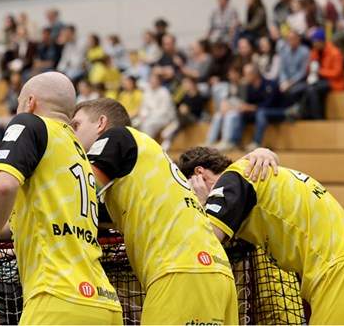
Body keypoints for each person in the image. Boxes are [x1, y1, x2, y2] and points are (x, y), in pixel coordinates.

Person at [70, 99, 286, 324]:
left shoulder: (116, 137)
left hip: (180, 271)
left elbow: (76, 193)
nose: (71, 135)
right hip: (216, 273)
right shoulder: (144, 167)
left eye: (76, 125)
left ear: (101, 123)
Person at [0, 72, 123, 324]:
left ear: (30, 102)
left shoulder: (30, 124)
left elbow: (3, 186)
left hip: (56, 296)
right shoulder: (79, 153)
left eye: (19, 103)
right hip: (104, 302)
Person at [177, 146, 344, 325]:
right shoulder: (249, 174)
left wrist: (200, 203)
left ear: (199, 174)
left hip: (338, 276)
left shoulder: (233, 180)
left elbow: (205, 242)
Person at [233, 63, 286, 151]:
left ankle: (257, 142)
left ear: (255, 74)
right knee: (242, 113)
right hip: (259, 111)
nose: (244, 77)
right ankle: (234, 142)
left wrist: (251, 107)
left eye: (246, 74)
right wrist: (245, 107)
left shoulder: (270, 84)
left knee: (261, 112)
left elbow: (268, 104)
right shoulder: (250, 86)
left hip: (277, 111)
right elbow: (249, 102)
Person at [135, 73, 177, 140]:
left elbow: (164, 111)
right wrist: (143, 114)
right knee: (135, 123)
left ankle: (147, 144)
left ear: (159, 81)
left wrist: (148, 116)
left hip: (165, 118)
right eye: (151, 79)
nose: (153, 81)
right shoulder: (147, 91)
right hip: (148, 117)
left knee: (148, 125)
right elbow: (144, 106)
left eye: (155, 80)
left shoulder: (164, 92)